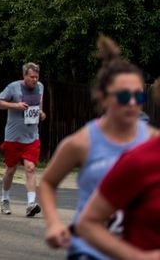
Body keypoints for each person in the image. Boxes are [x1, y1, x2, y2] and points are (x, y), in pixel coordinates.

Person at [41, 37, 155, 259]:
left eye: (138, 95)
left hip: (135, 249)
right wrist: (53, 223)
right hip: (90, 249)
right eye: (124, 96)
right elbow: (47, 182)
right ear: (103, 97)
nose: (132, 103)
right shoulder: (81, 143)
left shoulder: (152, 141)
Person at [0, 62, 46, 217]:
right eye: (31, 77)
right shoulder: (13, 87)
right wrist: (15, 105)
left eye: (36, 77)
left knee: (30, 168)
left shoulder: (40, 87)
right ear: (24, 76)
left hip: (32, 136)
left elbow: (39, 107)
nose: (34, 80)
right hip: (13, 137)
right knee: (10, 170)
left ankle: (31, 204)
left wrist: (41, 114)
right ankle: (5, 199)